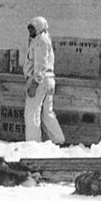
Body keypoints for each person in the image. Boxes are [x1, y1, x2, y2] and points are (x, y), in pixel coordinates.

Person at [23, 16, 65, 144]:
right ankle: (58, 139)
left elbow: (40, 65)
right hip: (49, 80)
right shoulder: (44, 39)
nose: (30, 32)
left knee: (32, 112)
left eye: (32, 29)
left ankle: (33, 143)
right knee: (47, 112)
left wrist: (34, 84)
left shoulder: (40, 41)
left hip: (40, 80)